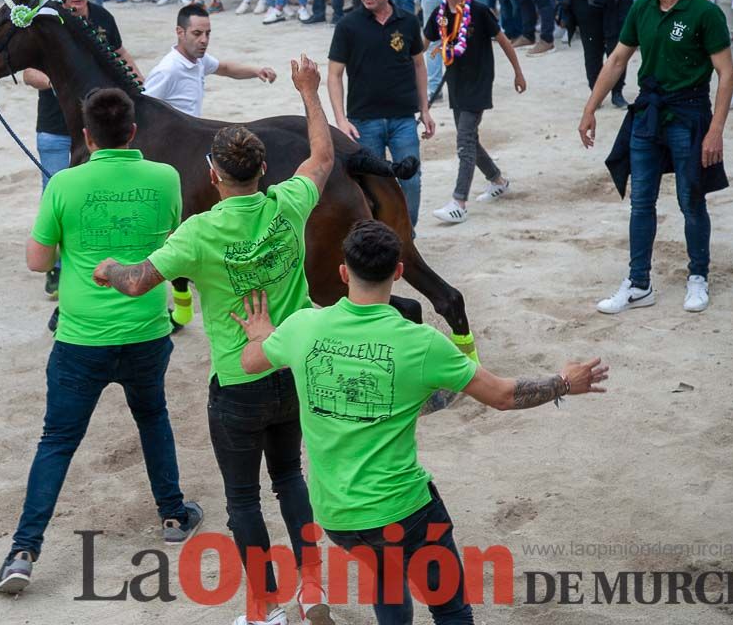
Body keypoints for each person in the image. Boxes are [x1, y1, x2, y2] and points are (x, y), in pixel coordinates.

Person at [233, 218, 609, 625]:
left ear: (343, 273)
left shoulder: (302, 328)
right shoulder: (422, 342)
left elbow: (251, 361)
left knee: (384, 574)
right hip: (403, 511)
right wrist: (564, 383)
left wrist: (262, 332)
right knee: (449, 608)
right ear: (398, 272)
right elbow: (502, 395)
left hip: (336, 515)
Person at [94, 56, 337, 625]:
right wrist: (309, 92)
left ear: (213, 175)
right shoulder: (286, 206)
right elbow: (322, 157)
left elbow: (136, 284)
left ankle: (264, 608)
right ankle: (313, 589)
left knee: (243, 501)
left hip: (238, 380)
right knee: (290, 479)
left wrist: (107, 268)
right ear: (261, 171)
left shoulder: (198, 233)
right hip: (290, 369)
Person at [0, 87, 203, 595]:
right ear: (132, 131)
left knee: (57, 441)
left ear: (86, 135)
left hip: (81, 338)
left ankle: (23, 550)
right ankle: (173, 516)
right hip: (146, 331)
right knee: (152, 417)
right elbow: (172, 241)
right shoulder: (166, 177)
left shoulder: (64, 183)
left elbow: (37, 262)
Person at [579, 0, 733, 315]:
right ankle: (638, 283)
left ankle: (698, 276)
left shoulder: (703, 13)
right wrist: (590, 108)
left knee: (691, 200)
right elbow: (617, 60)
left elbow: (726, 74)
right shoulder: (642, 8)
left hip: (689, 112)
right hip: (647, 112)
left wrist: (715, 131)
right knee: (640, 201)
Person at [22, 0, 140, 310]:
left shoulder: (102, 18)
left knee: (102, 195)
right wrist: (63, 79)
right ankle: (56, 267)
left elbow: (119, 54)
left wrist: (140, 85)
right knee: (56, 197)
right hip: (57, 128)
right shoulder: (46, 23)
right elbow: (29, 73)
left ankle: (100, 257)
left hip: (100, 128)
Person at [328, 0, 435, 229]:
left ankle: (407, 236)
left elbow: (419, 65)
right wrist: (341, 119)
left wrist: (425, 109)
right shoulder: (347, 26)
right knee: (371, 184)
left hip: (403, 119)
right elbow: (334, 75)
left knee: (411, 179)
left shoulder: (408, 22)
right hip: (364, 121)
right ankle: (378, 237)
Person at [425, 0, 528, 224]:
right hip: (456, 85)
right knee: (469, 137)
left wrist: (518, 72)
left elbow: (503, 41)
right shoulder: (440, 14)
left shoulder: (479, 12)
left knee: (464, 143)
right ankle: (497, 180)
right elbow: (423, 43)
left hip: (478, 84)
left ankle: (459, 201)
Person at [144, 3, 277, 118]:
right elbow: (141, 109)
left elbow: (225, 68)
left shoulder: (199, 60)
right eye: (197, 33)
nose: (204, 40)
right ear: (180, 32)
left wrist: (257, 71)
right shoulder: (167, 71)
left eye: (207, 33)